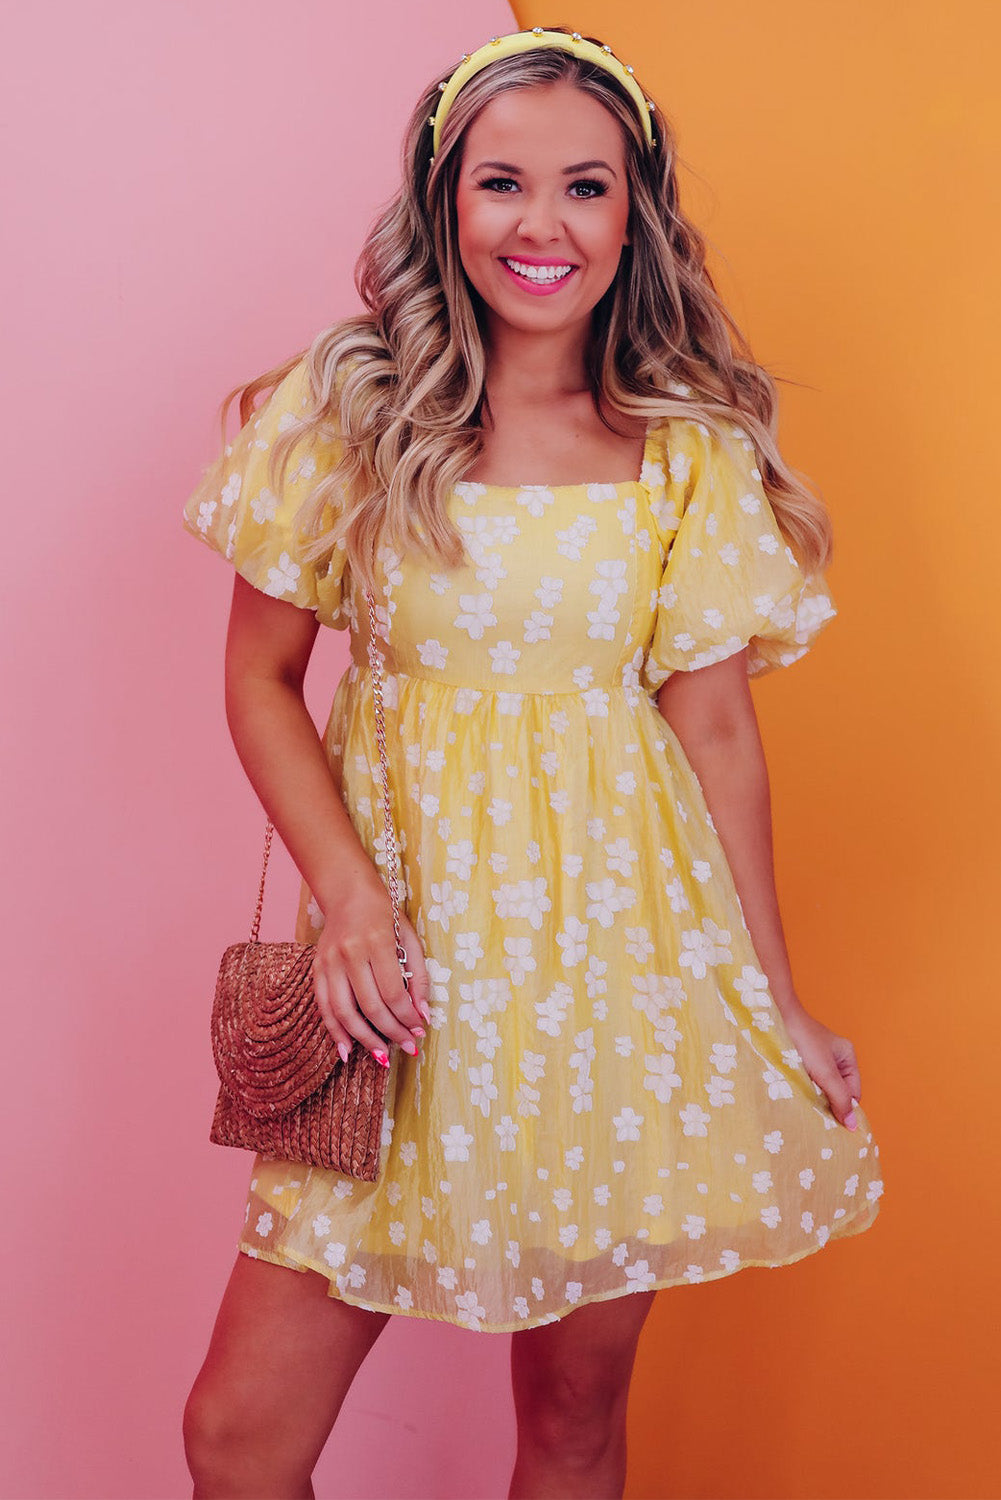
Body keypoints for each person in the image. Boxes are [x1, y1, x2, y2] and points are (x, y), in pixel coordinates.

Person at [179, 26, 884, 1500]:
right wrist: (349, 899)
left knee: (570, 1422)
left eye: (585, 186)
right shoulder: (347, 411)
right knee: (238, 1440)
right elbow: (257, 680)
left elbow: (713, 732)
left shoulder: (684, 447)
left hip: (622, 985)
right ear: (443, 200)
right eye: (501, 182)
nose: (541, 225)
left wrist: (773, 995)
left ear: (635, 217)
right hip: (396, 993)